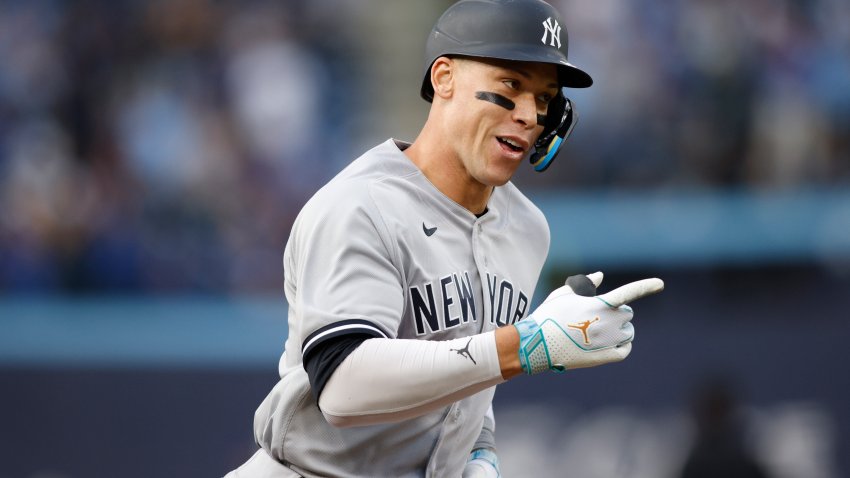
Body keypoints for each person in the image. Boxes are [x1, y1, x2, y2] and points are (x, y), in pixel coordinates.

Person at [227, 1, 664, 476]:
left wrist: (480, 452)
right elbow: (344, 388)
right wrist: (523, 345)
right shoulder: (360, 205)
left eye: (544, 98)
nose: (528, 114)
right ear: (444, 79)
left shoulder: (526, 228)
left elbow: (465, 381)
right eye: (511, 85)